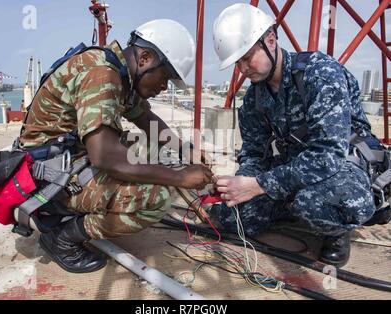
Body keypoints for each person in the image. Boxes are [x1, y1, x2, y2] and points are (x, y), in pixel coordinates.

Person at [19, 19, 213, 273]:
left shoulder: (119, 72)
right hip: (46, 180)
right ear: (145, 58)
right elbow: (105, 156)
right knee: (155, 198)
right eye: (165, 78)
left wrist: (184, 150)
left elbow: (145, 118)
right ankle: (63, 236)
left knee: (148, 153)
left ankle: (76, 211)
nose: (164, 87)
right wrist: (180, 177)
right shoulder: (103, 73)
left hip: (67, 161)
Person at [210, 4, 380, 267]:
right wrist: (240, 186)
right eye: (237, 62)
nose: (243, 68)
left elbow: (327, 156)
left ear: (270, 40)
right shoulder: (254, 99)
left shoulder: (320, 74)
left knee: (312, 202)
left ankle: (335, 232)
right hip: (293, 169)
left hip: (341, 167)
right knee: (229, 216)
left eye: (247, 57)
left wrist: (258, 186)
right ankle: (288, 206)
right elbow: (255, 153)